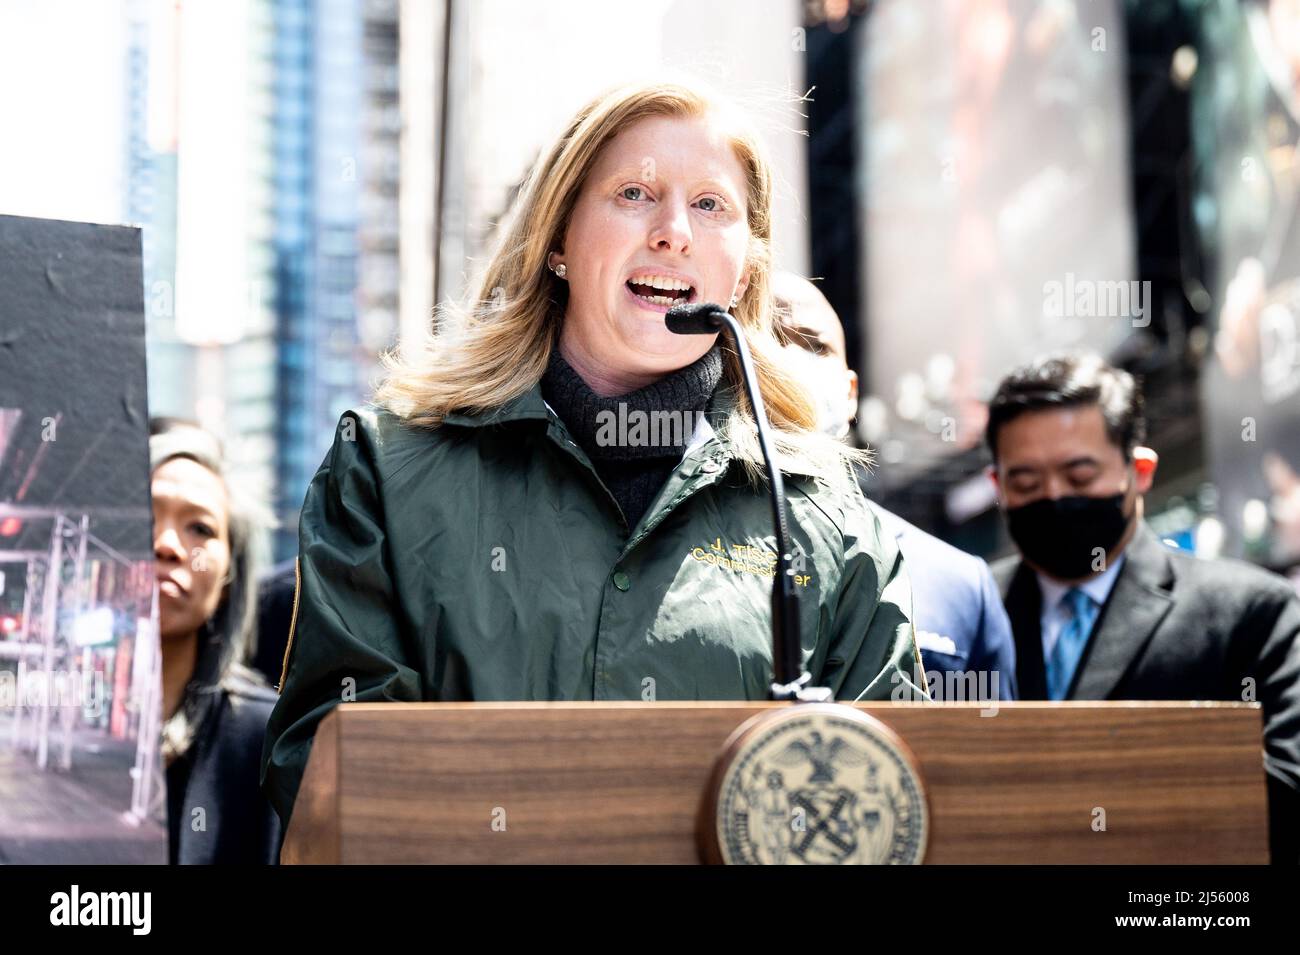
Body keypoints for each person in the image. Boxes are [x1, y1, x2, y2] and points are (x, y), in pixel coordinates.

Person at [262, 80, 926, 828]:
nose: (673, 230)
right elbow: (330, 767)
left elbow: (876, 798)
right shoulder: (389, 467)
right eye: (635, 193)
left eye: (711, 205)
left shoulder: (825, 510)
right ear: (558, 240)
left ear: (742, 270)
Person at [985, 353, 1300, 863]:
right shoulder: (967, 612)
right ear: (998, 486)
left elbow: (1286, 792)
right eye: (1026, 484)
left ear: (1141, 470)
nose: (1054, 497)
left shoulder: (1250, 612)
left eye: (1081, 476)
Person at [770, 272, 1016, 701]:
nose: (787, 362)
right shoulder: (673, 556)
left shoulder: (958, 583)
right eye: (766, 340)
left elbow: (994, 753)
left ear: (850, 394)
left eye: (813, 345)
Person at [150, 418, 280, 864]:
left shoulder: (268, 739)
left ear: (228, 575)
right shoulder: (41, 719)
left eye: (200, 529)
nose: (167, 544)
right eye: (146, 514)